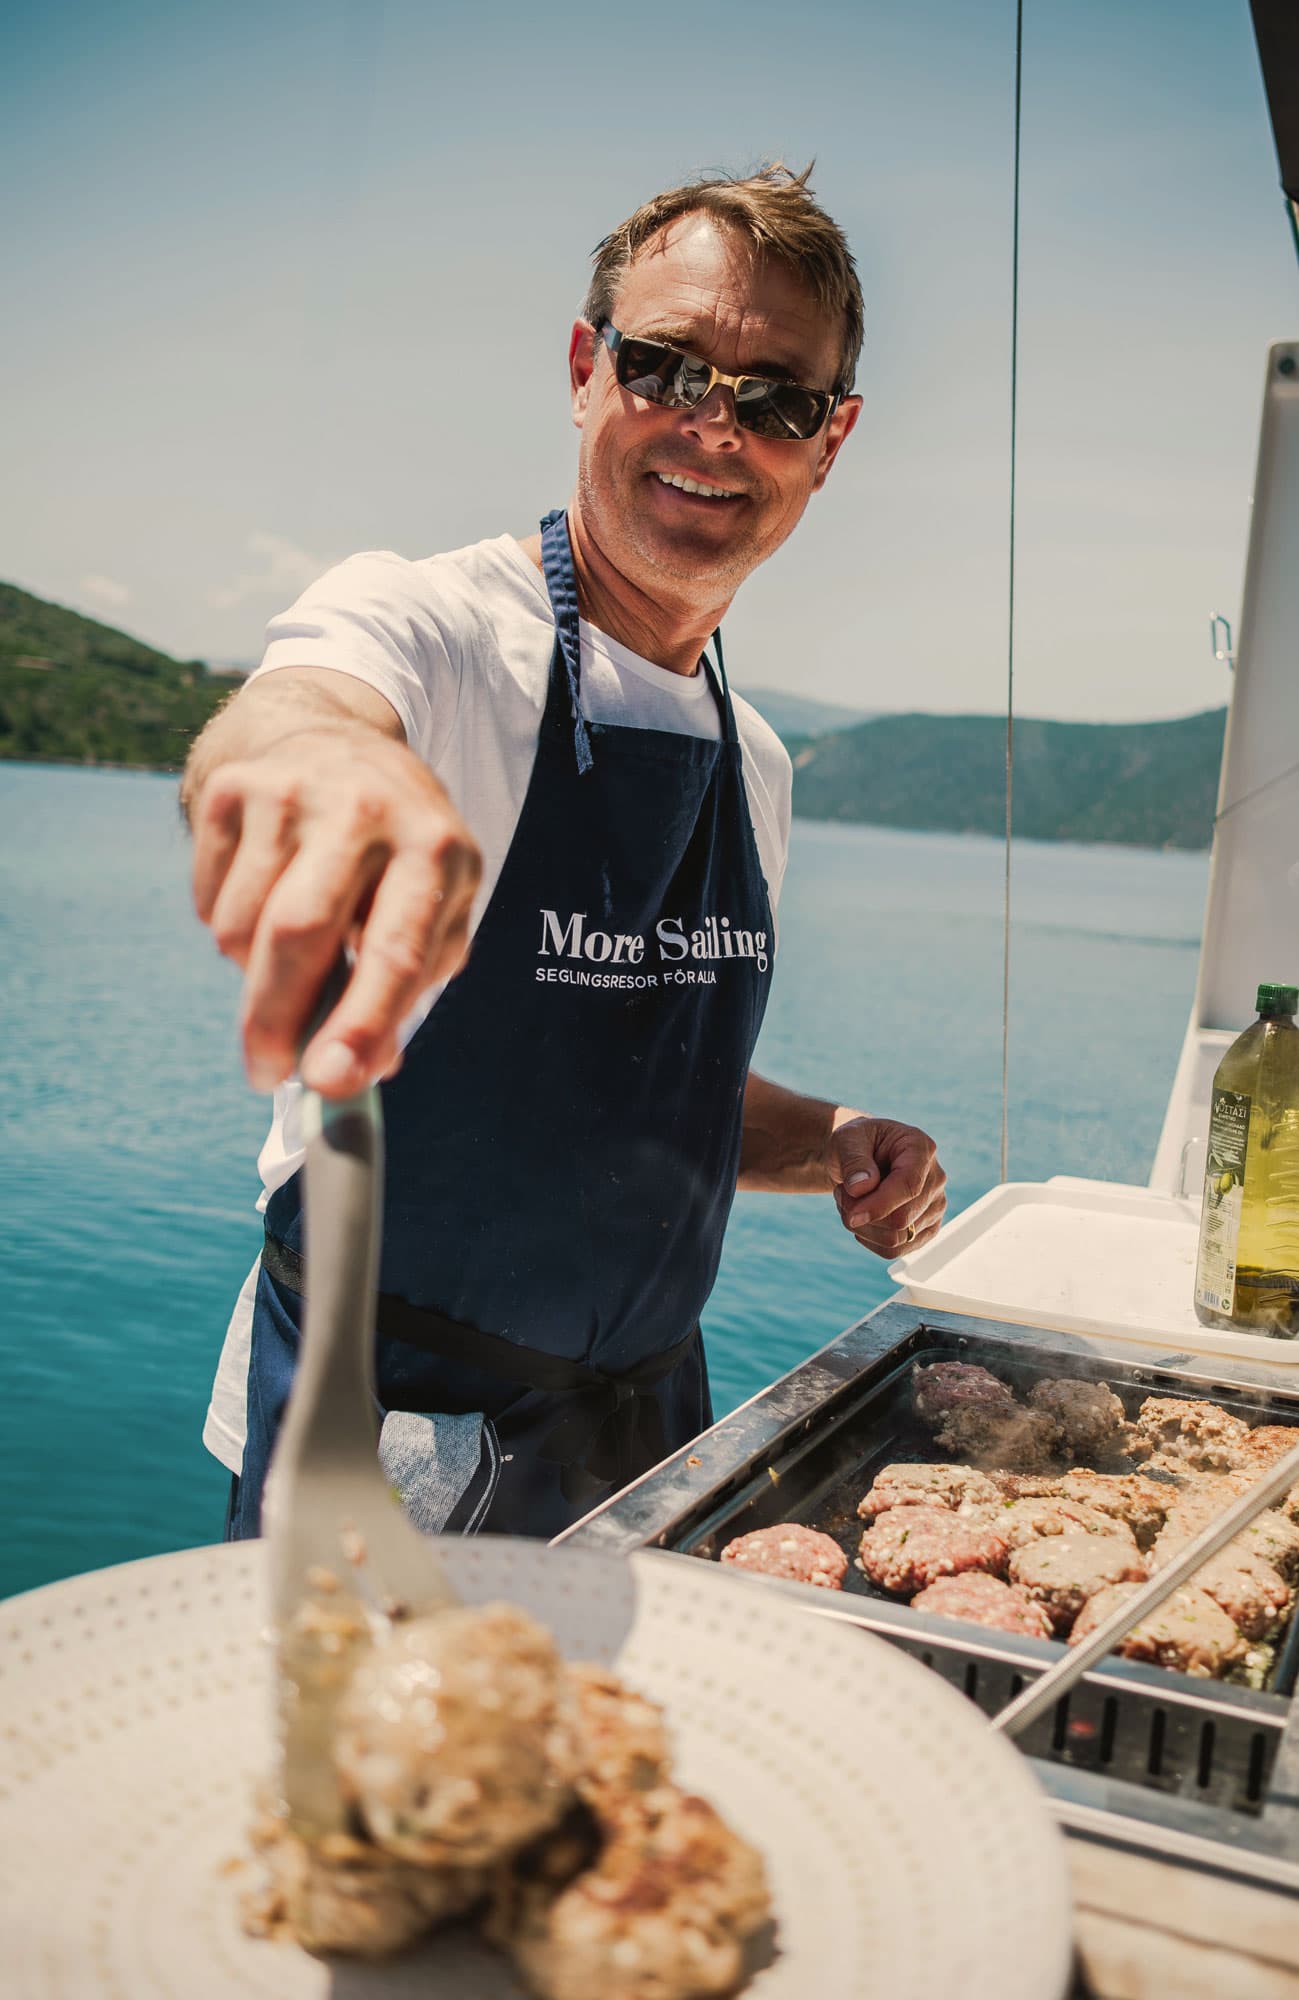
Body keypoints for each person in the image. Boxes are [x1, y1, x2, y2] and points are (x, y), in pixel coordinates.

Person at [183, 163, 948, 1543]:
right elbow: (298, 711)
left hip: (648, 1452)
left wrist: (830, 1139)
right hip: (380, 1465)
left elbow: (641, 1091)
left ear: (825, 445)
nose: (714, 430)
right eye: (668, 367)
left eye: (772, 397)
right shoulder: (434, 635)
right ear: (589, 368)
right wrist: (329, 768)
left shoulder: (753, 762)